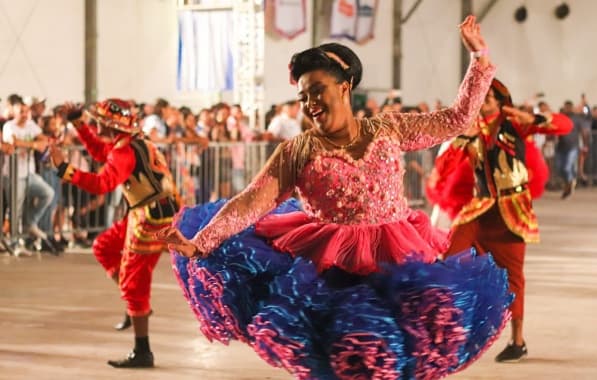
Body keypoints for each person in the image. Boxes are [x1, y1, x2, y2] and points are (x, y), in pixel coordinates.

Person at [158, 16, 510, 379]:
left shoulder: (389, 128)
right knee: (343, 362)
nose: (309, 103)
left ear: (345, 86)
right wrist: (200, 243)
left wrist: (478, 57)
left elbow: (455, 119)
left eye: (317, 90)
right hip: (329, 269)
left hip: (396, 258)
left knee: (393, 359)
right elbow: (251, 202)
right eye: (303, 96)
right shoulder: (297, 150)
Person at [443, 79, 572, 363]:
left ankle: (517, 340)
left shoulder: (516, 124)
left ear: (502, 102)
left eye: (490, 95)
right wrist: (458, 141)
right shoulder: (470, 128)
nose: (484, 98)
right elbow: (444, 165)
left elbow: (565, 126)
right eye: (482, 95)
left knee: (514, 279)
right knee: (449, 262)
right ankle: (454, 330)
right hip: (479, 211)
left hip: (512, 212)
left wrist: (534, 117)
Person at [49, 99, 180, 368]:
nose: (96, 124)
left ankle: (142, 349)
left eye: (99, 121)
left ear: (111, 125)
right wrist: (77, 122)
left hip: (149, 221)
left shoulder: (124, 152)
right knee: (104, 246)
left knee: (135, 284)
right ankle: (135, 305)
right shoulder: (131, 142)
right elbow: (100, 152)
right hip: (148, 214)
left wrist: (64, 169)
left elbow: (102, 183)